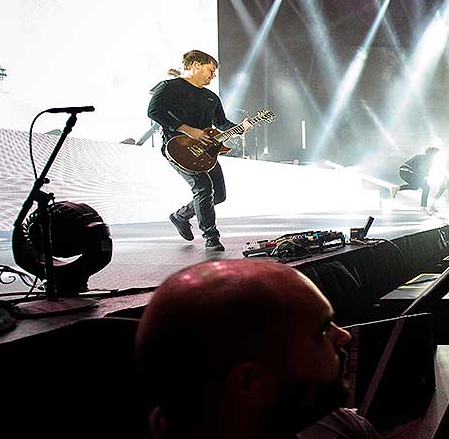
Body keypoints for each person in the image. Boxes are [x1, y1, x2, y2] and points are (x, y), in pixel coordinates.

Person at [135, 259, 378, 439]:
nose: (344, 336)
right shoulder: (338, 430)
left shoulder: (337, 424)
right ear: (251, 382)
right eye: (323, 331)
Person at [148, 50, 253, 251]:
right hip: (178, 148)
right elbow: (154, 111)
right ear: (196, 65)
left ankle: (180, 216)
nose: (213, 75)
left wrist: (241, 127)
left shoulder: (211, 97)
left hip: (207, 151)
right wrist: (188, 130)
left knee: (219, 195)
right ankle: (211, 238)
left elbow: (221, 124)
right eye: (211, 70)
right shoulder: (169, 87)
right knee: (203, 187)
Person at [392, 147, 438, 211]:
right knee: (426, 188)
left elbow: (421, 171)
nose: (435, 156)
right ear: (432, 154)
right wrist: (424, 179)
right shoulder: (427, 159)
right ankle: (423, 207)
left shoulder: (423, 157)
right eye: (435, 154)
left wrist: (423, 178)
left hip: (403, 171)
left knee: (415, 187)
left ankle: (398, 188)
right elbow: (420, 170)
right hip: (407, 171)